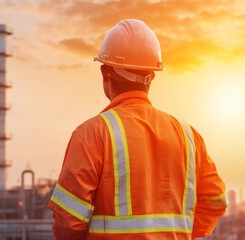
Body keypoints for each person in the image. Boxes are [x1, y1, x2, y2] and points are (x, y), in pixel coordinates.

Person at [47, 19, 227, 240]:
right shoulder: (189, 136)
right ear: (151, 78)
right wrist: (181, 233)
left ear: (105, 73)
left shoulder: (91, 135)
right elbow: (215, 200)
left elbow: (68, 221)